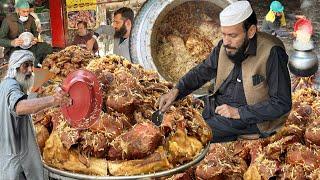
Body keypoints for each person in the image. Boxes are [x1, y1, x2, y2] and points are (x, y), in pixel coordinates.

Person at [158, 1, 292, 143]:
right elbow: (202, 71)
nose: (226, 41)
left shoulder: (272, 52)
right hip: (218, 104)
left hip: (249, 118)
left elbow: (281, 103)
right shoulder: (224, 45)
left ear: (251, 31)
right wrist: (177, 91)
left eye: (233, 36)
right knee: (175, 115)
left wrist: (238, 113)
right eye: (224, 34)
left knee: (190, 132)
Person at [0, 50, 71, 179]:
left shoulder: (5, 85)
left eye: (31, 66)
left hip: (9, 158)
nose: (29, 70)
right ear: (15, 67)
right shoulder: (11, 86)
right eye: (25, 65)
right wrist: (53, 100)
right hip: (17, 163)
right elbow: (19, 107)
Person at [0, 0, 52, 66]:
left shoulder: (30, 19)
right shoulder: (8, 21)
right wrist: (11, 42)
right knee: (27, 59)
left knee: (47, 47)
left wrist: (35, 39)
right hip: (14, 49)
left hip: (30, 46)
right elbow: (1, 40)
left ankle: (44, 66)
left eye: (28, 11)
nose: (26, 14)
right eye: (24, 11)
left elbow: (35, 32)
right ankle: (34, 66)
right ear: (17, 10)